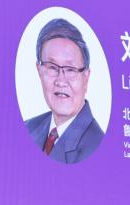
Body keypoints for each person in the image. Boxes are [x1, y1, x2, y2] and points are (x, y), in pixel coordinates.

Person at [24, 18, 104, 164]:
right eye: (52, 67)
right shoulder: (28, 127)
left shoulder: (98, 148)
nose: (61, 81)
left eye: (70, 69)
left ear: (86, 77)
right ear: (39, 70)